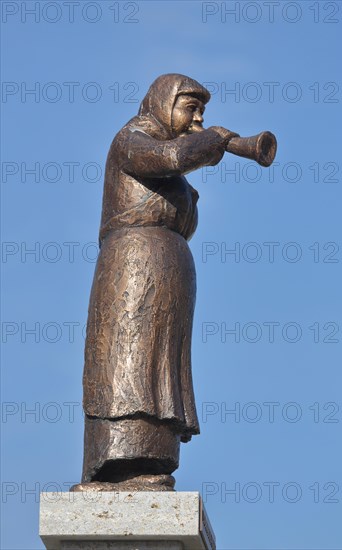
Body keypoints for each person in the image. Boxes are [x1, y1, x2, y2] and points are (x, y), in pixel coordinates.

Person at [77, 73, 239, 491]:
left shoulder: (178, 174)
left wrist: (201, 148)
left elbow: (177, 164)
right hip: (133, 265)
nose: (198, 118)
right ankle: (110, 467)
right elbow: (166, 159)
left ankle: (152, 462)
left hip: (168, 272)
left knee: (161, 373)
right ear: (164, 103)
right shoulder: (131, 138)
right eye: (191, 108)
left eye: (203, 111)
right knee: (124, 364)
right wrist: (211, 142)